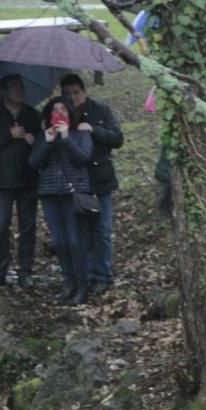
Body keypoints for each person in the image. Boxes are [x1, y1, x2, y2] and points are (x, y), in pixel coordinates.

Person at [0, 74, 42, 289]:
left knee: (28, 227)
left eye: (21, 87)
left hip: (28, 179)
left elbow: (44, 145)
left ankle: (25, 271)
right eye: (14, 88)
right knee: (1, 226)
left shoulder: (32, 114)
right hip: (1, 181)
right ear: (3, 92)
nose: (19, 91)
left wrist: (34, 140)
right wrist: (8, 134)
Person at [60, 73, 124, 296]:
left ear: (84, 92)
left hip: (100, 178)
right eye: (68, 94)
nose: (73, 98)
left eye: (76, 92)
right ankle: (86, 274)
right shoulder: (61, 115)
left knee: (102, 229)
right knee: (82, 231)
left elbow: (118, 139)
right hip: (76, 181)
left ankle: (103, 275)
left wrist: (94, 130)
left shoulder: (100, 110)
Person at [29, 96, 94, 306]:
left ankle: (82, 287)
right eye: (55, 110)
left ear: (70, 113)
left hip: (74, 194)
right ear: (49, 115)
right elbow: (34, 163)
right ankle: (69, 284)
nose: (59, 114)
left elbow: (83, 158)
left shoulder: (80, 133)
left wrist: (66, 137)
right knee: (60, 242)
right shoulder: (45, 136)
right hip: (50, 194)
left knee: (76, 241)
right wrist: (47, 142)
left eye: (63, 110)